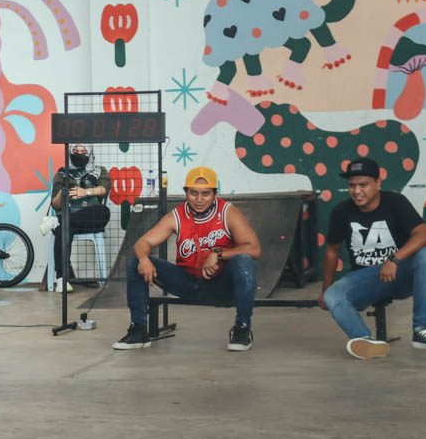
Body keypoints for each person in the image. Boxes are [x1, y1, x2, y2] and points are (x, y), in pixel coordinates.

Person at [112, 166, 262, 352]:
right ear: (186, 193)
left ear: (214, 194)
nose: (199, 199)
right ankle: (139, 331)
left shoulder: (227, 212)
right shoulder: (177, 216)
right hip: (189, 283)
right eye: (193, 193)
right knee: (136, 262)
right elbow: (143, 242)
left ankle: (242, 329)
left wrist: (218, 254)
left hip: (222, 285)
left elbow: (254, 248)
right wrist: (143, 258)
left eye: (205, 194)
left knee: (244, 260)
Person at [320, 157, 426, 359]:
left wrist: (393, 260)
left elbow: (424, 234)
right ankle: (366, 341)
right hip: (366, 280)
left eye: (363, 185)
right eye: (352, 186)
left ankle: (421, 330)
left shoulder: (395, 202)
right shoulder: (341, 211)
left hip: (399, 275)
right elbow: (332, 251)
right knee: (332, 295)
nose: (356, 191)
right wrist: (324, 290)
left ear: (378, 183)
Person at [44, 143, 111, 291]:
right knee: (63, 228)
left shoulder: (99, 171)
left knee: (104, 211)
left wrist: (84, 192)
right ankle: (62, 280)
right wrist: (62, 194)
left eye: (83, 151)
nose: (79, 154)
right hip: (69, 218)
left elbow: (104, 189)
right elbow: (55, 204)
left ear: (90, 154)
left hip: (91, 218)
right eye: (75, 150)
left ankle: (56, 221)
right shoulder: (62, 174)